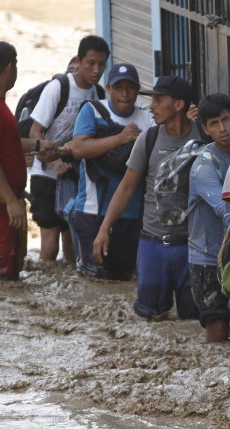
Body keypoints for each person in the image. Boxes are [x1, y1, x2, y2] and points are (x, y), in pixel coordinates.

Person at [93, 75, 202, 321]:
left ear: (179, 105)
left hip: (193, 246)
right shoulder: (148, 139)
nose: (151, 107)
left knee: (195, 323)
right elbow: (126, 188)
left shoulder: (204, 138)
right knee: (150, 321)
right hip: (153, 245)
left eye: (158, 100)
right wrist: (104, 228)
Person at [0, 41, 55, 280]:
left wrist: (38, 145)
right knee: (0, 280)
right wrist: (10, 201)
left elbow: (5, 143)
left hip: (1, 202)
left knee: (10, 274)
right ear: (9, 69)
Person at [28, 35, 110, 264]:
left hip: (77, 177)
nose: (96, 70)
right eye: (90, 63)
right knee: (50, 242)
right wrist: (55, 163)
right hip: (45, 173)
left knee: (73, 242)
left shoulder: (99, 95)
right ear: (79, 60)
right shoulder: (59, 87)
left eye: (101, 65)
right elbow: (36, 132)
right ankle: (46, 291)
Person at [68, 63, 153, 280]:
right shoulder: (93, 110)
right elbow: (78, 149)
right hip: (93, 213)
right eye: (118, 87)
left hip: (132, 217)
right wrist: (121, 138)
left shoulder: (148, 118)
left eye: (130, 88)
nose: (124, 93)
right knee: (94, 281)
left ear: (137, 90)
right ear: (108, 88)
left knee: (126, 281)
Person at [187, 93, 230, 342]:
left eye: (226, 119)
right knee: (217, 330)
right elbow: (224, 209)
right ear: (205, 129)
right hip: (207, 260)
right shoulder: (204, 166)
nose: (222, 128)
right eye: (214, 123)